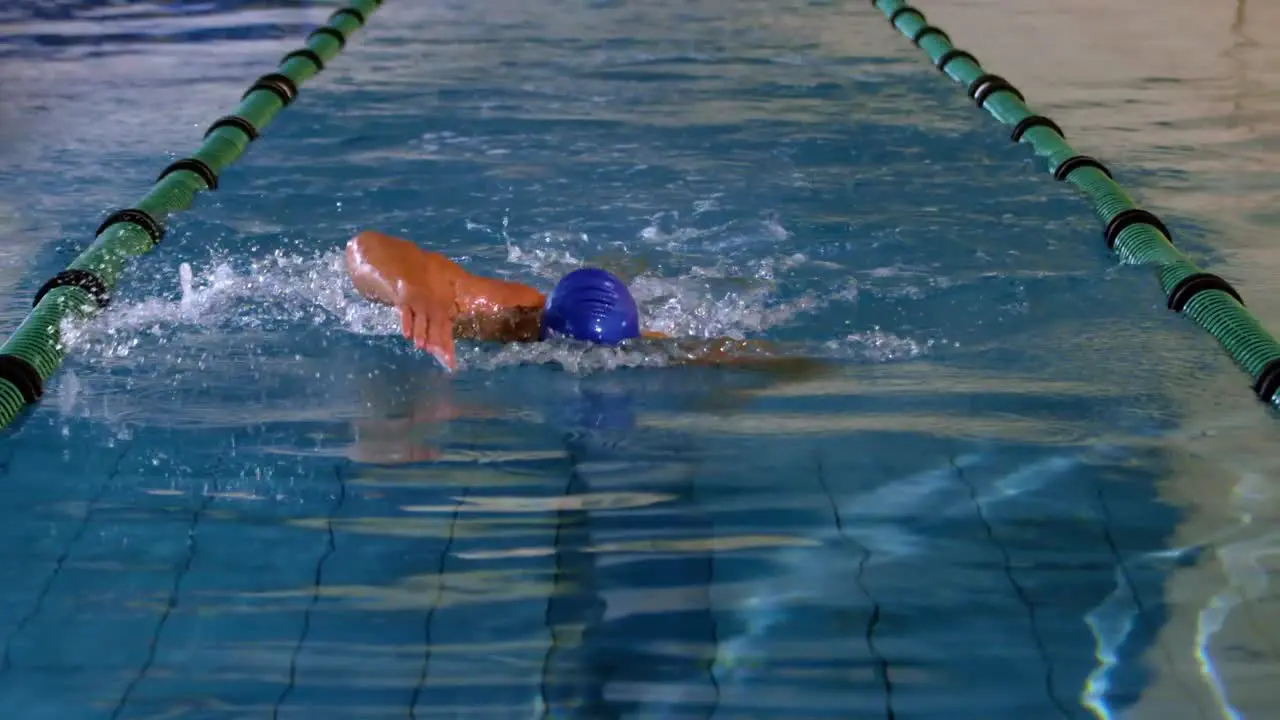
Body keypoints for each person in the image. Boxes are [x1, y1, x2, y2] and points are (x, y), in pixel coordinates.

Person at [346, 230, 811, 373]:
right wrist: (411, 288)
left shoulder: (652, 346)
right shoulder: (505, 316)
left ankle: (619, 265)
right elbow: (363, 246)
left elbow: (771, 360)